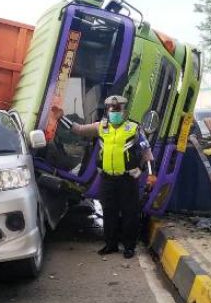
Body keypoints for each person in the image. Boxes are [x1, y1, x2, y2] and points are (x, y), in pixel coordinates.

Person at [59, 95, 156, 259]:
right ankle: (111, 245)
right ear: (107, 110)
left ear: (124, 111)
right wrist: (60, 117)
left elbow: (147, 153)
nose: (114, 112)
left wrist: (152, 175)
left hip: (128, 179)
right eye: (111, 110)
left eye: (118, 110)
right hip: (107, 179)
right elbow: (78, 129)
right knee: (109, 212)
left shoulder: (134, 129)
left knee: (129, 214)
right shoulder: (101, 127)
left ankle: (129, 247)